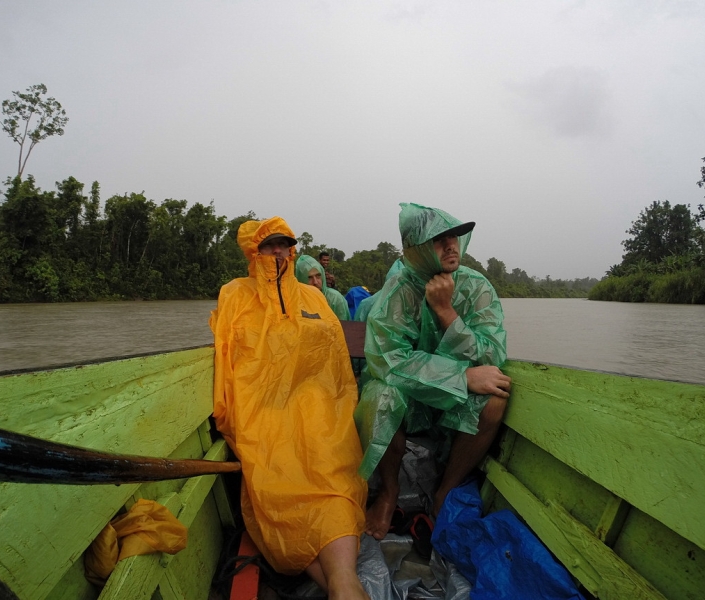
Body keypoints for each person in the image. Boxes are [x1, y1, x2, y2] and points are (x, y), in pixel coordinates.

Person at [210, 216, 369, 599]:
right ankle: (344, 581)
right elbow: (229, 361)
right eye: (269, 245)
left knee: (332, 476)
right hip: (263, 416)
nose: (279, 251)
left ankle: (341, 581)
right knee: (278, 483)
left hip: (320, 415)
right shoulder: (234, 294)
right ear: (254, 251)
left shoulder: (313, 298)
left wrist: (336, 411)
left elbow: (336, 370)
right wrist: (233, 416)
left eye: (285, 243)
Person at [354, 203, 511, 540]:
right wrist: (461, 377)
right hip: (409, 399)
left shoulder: (476, 287)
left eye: (454, 236)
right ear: (415, 249)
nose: (452, 245)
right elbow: (388, 362)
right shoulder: (397, 293)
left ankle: (445, 491)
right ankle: (389, 492)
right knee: (380, 396)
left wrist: (446, 312)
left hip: (448, 402)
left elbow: (493, 352)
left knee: (495, 401)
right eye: (439, 240)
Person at [295, 255, 351, 320]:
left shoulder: (335, 299)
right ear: (301, 280)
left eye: (318, 276)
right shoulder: (296, 301)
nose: (315, 282)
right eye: (309, 277)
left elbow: (345, 327)